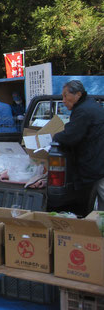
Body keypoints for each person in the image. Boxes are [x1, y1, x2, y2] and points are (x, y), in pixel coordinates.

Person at [53, 80, 104, 213]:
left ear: (78, 94)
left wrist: (55, 137)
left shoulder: (83, 111)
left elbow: (71, 136)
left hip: (96, 164)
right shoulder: (89, 105)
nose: (63, 100)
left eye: (65, 95)